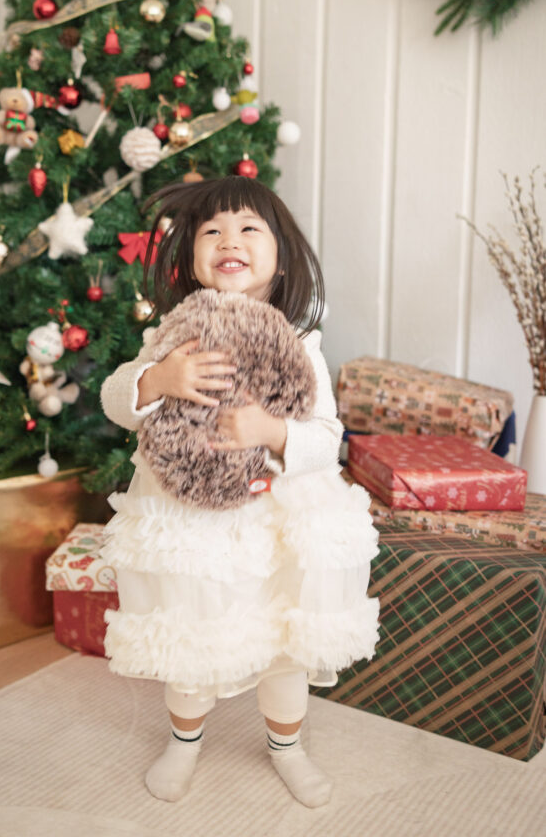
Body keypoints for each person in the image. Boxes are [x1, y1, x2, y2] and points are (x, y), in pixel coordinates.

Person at [100, 176, 379, 807]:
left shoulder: (302, 342)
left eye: (250, 228)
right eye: (212, 231)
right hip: (190, 522)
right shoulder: (173, 332)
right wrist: (158, 377)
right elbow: (118, 399)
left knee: (284, 645)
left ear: (282, 256)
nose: (231, 239)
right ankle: (184, 740)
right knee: (192, 635)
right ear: (192, 259)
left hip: (275, 519)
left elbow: (327, 435)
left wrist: (272, 430)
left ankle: (287, 746)